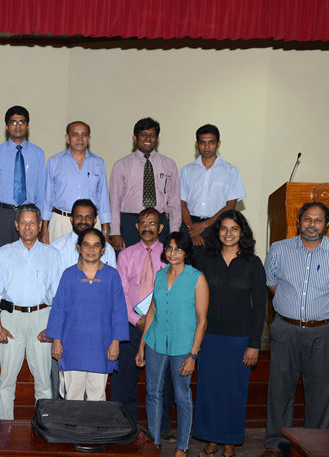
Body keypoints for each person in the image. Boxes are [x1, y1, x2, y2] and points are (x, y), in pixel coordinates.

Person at [260, 202, 329, 457]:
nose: (312, 225)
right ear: (298, 221)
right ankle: (277, 445)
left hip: (323, 332)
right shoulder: (278, 250)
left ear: (326, 224)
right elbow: (271, 285)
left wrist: (320, 310)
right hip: (285, 329)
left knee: (320, 390)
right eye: (307, 219)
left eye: (318, 220)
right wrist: (293, 308)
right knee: (280, 389)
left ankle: (313, 446)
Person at [193, 210, 265, 457]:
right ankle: (212, 440)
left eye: (234, 228)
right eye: (223, 228)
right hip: (209, 337)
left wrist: (254, 343)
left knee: (234, 393)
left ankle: (230, 442)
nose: (228, 233)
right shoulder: (205, 259)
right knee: (209, 391)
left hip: (239, 340)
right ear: (217, 232)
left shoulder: (253, 263)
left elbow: (261, 308)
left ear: (242, 232)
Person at [136, 231, 209, 456]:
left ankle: (182, 447)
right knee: (152, 393)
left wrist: (193, 355)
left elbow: (203, 321)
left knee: (181, 396)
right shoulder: (159, 275)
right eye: (169, 248)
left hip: (183, 346)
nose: (172, 252)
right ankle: (155, 442)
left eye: (178, 248)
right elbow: (152, 310)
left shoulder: (197, 278)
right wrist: (141, 345)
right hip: (155, 342)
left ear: (186, 251)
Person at [110, 208, 177, 441]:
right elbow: (122, 292)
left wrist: (154, 320)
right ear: (137, 227)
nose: (147, 227)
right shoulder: (126, 255)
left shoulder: (170, 254)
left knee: (163, 379)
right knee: (125, 377)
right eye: (143, 223)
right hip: (132, 324)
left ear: (160, 228)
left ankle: (163, 426)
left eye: (153, 223)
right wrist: (135, 319)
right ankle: (123, 423)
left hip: (161, 325)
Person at [0, 204, 60, 420]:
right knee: (7, 381)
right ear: (16, 225)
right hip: (11, 319)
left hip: (41, 318)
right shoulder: (3, 253)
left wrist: (53, 326)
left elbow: (58, 295)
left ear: (40, 226)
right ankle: (5, 429)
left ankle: (44, 427)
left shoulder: (52, 254)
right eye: (23, 222)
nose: (28, 227)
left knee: (44, 383)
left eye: (32, 222)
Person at [46, 228, 128, 401]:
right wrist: (56, 342)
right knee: (73, 397)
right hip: (72, 347)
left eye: (96, 245)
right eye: (86, 245)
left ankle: (93, 429)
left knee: (97, 398)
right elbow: (58, 309)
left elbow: (119, 311)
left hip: (102, 347)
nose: (91, 249)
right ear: (79, 248)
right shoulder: (68, 275)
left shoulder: (112, 276)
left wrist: (115, 343)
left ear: (103, 250)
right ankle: (73, 429)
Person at [109, 117, 180, 251]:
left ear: (157, 139)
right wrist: (115, 232)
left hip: (159, 224)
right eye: (143, 134)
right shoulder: (121, 165)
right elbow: (114, 201)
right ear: (135, 138)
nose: (148, 138)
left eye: (152, 135)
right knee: (128, 265)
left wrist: (174, 231)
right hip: (130, 223)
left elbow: (174, 202)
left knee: (160, 265)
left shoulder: (169, 164)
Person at [0, 106, 48, 248]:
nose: (18, 126)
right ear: (7, 127)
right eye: (13, 122)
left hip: (29, 215)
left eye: (22, 122)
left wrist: (42, 224)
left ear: (28, 126)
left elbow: (41, 194)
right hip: (2, 215)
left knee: (28, 259)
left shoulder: (38, 154)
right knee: (1, 258)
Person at [179, 124, 246, 252]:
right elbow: (181, 204)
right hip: (189, 226)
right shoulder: (186, 171)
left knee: (213, 268)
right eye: (202, 143)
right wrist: (192, 230)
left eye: (211, 142)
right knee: (187, 268)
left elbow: (231, 206)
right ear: (197, 144)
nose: (207, 147)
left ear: (218, 144)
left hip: (216, 226)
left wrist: (204, 225)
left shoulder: (231, 171)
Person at [44, 121, 111, 243]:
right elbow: (47, 197)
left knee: (90, 260)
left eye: (84, 134)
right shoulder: (54, 162)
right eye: (75, 134)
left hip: (90, 222)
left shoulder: (98, 162)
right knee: (58, 260)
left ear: (89, 138)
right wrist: (44, 227)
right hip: (61, 221)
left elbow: (103, 197)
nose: (80, 138)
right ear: (67, 138)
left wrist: (105, 229)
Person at [52, 199, 116, 271]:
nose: (83, 221)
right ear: (71, 219)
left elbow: (111, 279)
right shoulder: (56, 247)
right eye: (79, 216)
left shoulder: (107, 249)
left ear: (95, 220)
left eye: (88, 217)